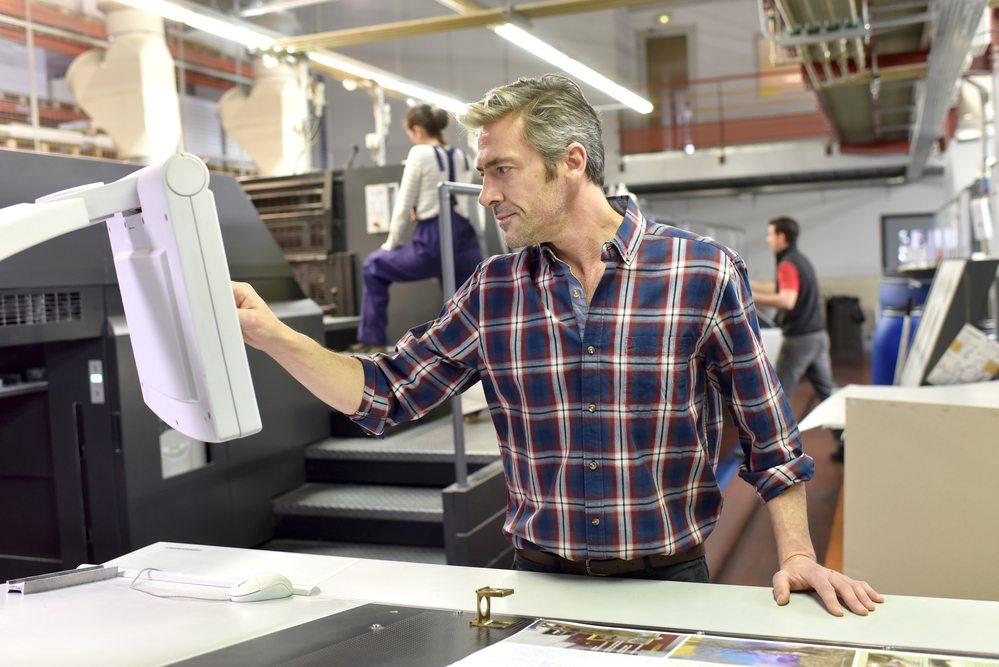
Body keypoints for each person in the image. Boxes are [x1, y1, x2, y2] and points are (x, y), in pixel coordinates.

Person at [233, 74, 881, 617]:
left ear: (571, 162)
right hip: (539, 588)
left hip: (670, 583)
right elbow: (383, 394)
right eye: (483, 172)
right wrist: (273, 335)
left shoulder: (701, 274)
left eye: (501, 170)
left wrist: (796, 553)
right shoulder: (493, 292)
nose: (485, 194)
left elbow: (771, 438)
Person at [354, 103, 483, 352]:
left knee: (374, 265)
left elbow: (404, 205)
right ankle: (474, 348)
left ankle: (372, 340)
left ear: (417, 130)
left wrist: (391, 243)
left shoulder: (419, 153)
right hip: (465, 240)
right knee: (465, 296)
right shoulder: (462, 156)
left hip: (432, 238)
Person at [749, 217, 843, 461]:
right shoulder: (799, 260)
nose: (768, 240)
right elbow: (780, 288)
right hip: (818, 336)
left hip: (800, 340)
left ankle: (763, 448)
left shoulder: (787, 264)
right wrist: (746, 283)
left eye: (770, 234)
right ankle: (845, 442)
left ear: (782, 237)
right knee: (827, 393)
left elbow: (787, 300)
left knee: (775, 394)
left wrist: (748, 297)